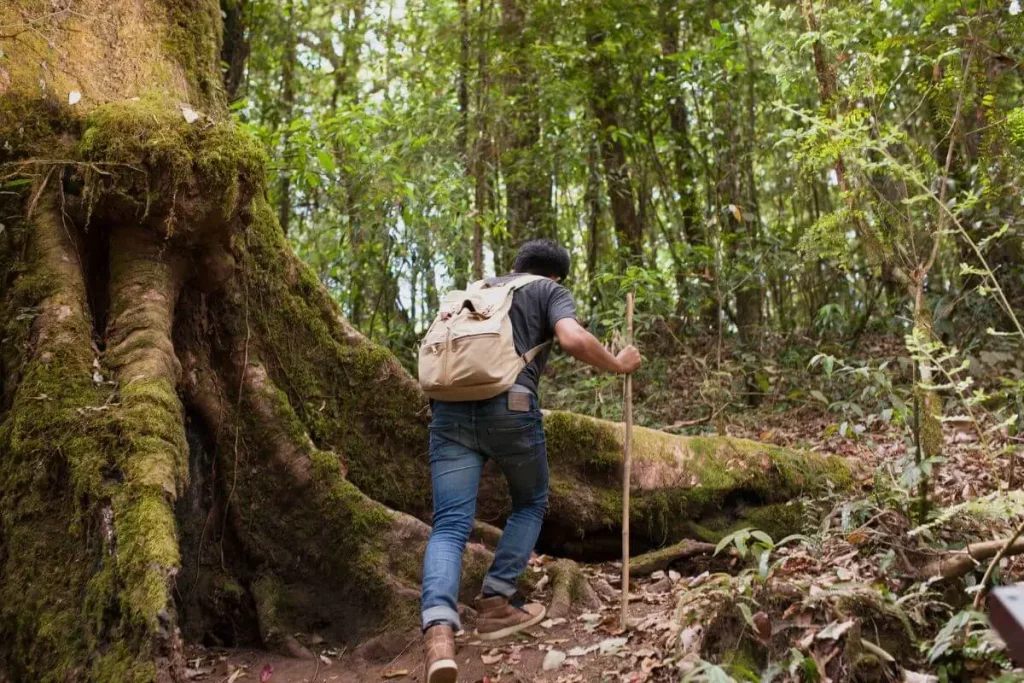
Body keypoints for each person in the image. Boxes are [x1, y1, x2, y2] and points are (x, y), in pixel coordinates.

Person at [421, 239, 642, 683]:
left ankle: (439, 635)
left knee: (449, 525)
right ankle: (496, 602)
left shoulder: (479, 290)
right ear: (555, 275)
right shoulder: (547, 290)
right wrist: (619, 364)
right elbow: (572, 337)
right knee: (530, 503)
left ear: (514, 266)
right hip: (511, 408)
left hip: (447, 412)